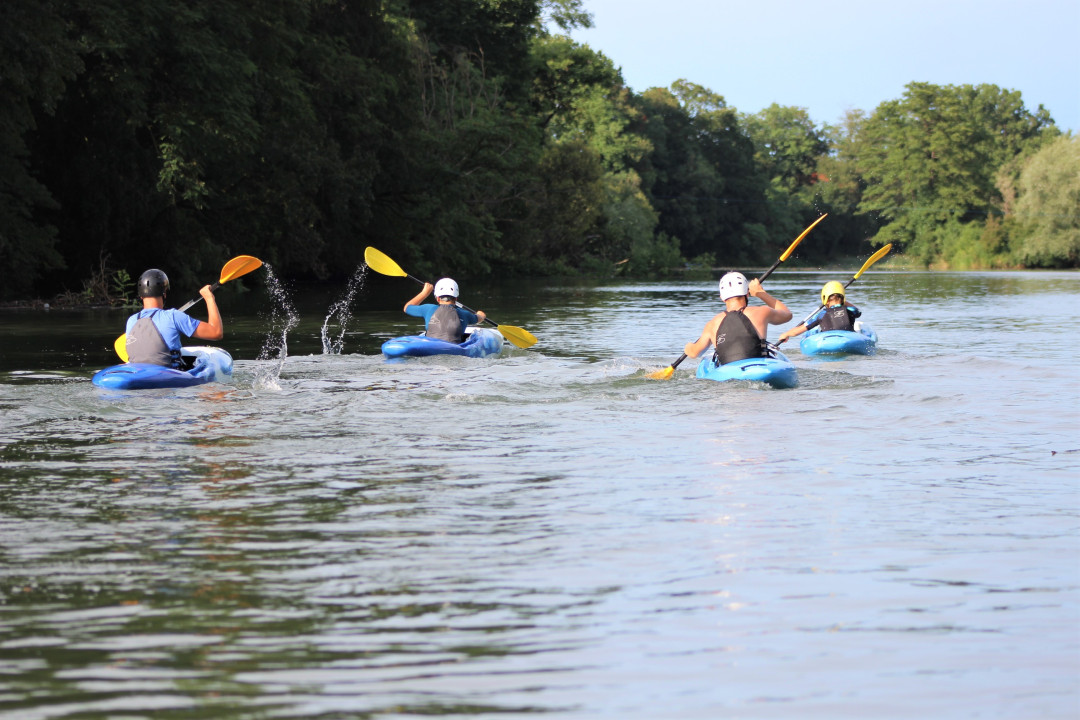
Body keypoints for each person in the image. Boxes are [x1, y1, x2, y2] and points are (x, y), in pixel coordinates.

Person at [683, 272, 792, 365]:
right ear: (747, 294)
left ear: (722, 298)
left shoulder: (712, 324)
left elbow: (694, 353)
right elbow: (787, 314)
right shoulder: (761, 312)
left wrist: (689, 347)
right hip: (759, 366)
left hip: (728, 373)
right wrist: (761, 293)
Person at [124, 269, 223, 367]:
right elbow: (216, 332)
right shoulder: (173, 316)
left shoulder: (131, 321)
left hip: (137, 373)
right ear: (164, 294)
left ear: (141, 296)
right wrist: (209, 298)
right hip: (168, 375)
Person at [404, 278, 486, 343]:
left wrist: (424, 293)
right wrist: (480, 314)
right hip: (454, 351)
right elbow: (480, 317)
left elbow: (407, 308)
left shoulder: (428, 309)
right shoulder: (464, 314)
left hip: (430, 348)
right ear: (456, 298)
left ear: (438, 298)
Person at [777, 281, 861, 344]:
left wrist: (786, 334)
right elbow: (858, 312)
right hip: (849, 339)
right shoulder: (850, 310)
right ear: (843, 298)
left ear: (825, 298)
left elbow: (798, 330)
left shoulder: (822, 314)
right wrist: (844, 302)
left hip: (827, 341)